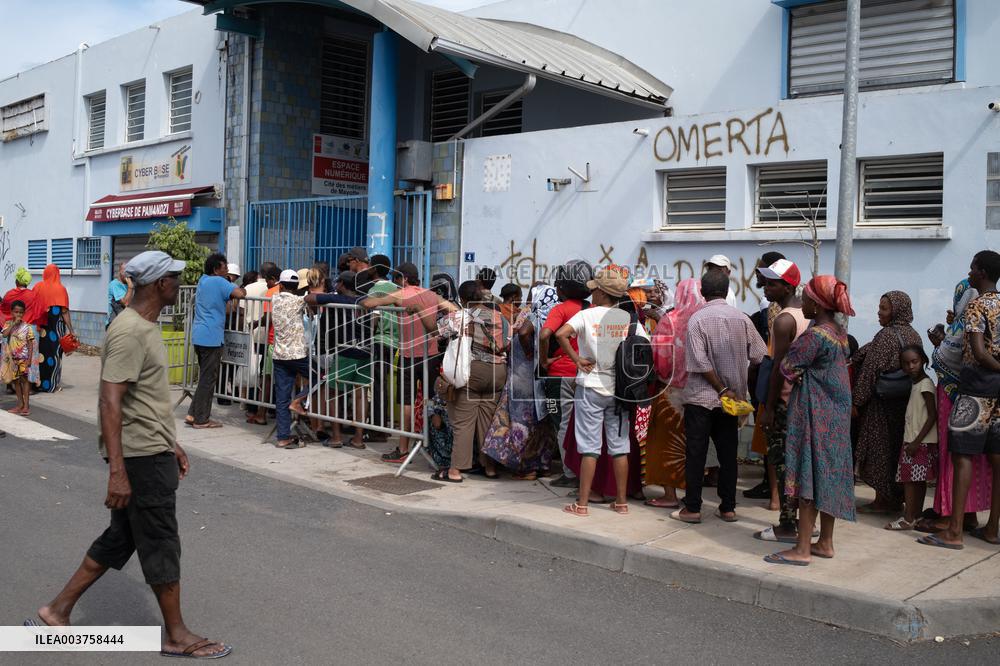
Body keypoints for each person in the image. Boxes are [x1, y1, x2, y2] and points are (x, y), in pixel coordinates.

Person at [32, 250, 231, 658]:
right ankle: (176, 635)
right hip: (139, 460)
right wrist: (118, 472)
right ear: (160, 285)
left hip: (149, 449)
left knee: (121, 537)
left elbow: (144, 401)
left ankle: (58, 610)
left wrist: (169, 441)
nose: (179, 285)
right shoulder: (129, 331)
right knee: (160, 540)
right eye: (175, 279)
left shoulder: (144, 326)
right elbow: (110, 402)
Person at [764, 275, 856, 566]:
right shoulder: (839, 332)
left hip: (815, 415)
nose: (802, 301)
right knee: (828, 477)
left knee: (808, 478)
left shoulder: (814, 336)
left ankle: (802, 548)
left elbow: (786, 368)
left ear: (816, 304)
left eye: (806, 298)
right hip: (837, 416)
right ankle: (825, 542)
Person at [920, 250, 1000, 549]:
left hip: (977, 387)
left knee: (962, 455)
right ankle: (992, 528)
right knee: (996, 458)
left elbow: (978, 353)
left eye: (972, 268)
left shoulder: (977, 306)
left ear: (981, 272)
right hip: (998, 392)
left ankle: (954, 531)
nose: (970, 272)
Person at [673, 270, 766, 525]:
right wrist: (737, 379)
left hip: (701, 399)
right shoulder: (743, 319)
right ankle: (728, 508)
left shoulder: (697, 319)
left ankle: (692, 508)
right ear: (726, 291)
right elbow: (759, 355)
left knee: (696, 453)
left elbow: (698, 363)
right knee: (728, 455)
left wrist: (720, 388)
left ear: (702, 291)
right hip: (732, 400)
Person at [555, 266, 641, 516]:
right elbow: (642, 346)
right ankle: (622, 502)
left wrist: (577, 359)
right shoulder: (627, 319)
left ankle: (581, 505)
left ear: (603, 293)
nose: (591, 294)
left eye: (595, 290)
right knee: (619, 445)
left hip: (591, 387)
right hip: (620, 390)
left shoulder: (587, 315)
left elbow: (561, 334)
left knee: (589, 446)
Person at [362, 262, 443, 463]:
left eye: (397, 280)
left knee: (407, 403)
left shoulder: (402, 294)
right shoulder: (432, 295)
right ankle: (435, 445)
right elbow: (451, 309)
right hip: (431, 355)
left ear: (404, 279)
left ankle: (403, 449)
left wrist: (371, 299)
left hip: (409, 357)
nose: (396, 284)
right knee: (432, 401)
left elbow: (368, 304)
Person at [754, 259, 809, 543]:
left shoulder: (785, 319)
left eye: (772, 283)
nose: (766, 287)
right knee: (797, 463)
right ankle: (799, 521)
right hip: (803, 402)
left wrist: (769, 408)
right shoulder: (808, 315)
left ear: (787, 286)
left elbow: (779, 367)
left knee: (784, 463)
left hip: (786, 402)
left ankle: (788, 524)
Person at [853, 291, 921, 514]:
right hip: (904, 402)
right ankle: (895, 498)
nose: (879, 312)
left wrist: (856, 401)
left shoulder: (886, 336)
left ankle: (882, 500)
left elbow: (870, 372)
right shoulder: (914, 335)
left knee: (879, 451)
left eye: (884, 308)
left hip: (881, 405)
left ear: (896, 310)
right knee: (896, 451)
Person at [433, 280, 508, 482]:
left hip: (471, 371)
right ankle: (489, 467)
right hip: (498, 372)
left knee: (464, 423)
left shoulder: (459, 317)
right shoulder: (500, 317)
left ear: (462, 299)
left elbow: (436, 333)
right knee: (487, 421)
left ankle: (455, 470)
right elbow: (507, 343)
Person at [482, 284, 556, 480]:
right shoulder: (553, 314)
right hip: (541, 375)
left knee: (522, 422)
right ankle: (543, 464)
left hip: (523, 376)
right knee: (543, 421)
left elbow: (521, 333)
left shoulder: (530, 314)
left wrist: (530, 352)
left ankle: (526, 467)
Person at [645, 278, 705, 509]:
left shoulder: (669, 320)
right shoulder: (705, 320)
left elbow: (660, 359)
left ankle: (669, 495)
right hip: (700, 390)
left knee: (665, 443)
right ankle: (692, 494)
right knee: (693, 444)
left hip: (670, 393)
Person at [303, 270, 371, 448]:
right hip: (366, 351)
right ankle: (358, 438)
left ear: (342, 284)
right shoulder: (366, 300)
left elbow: (309, 299)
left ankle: (337, 437)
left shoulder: (338, 299)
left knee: (333, 393)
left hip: (346, 351)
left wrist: (326, 297)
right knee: (361, 394)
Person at [540, 260, 593, 488]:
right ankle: (583, 471)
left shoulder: (560, 309)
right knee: (583, 424)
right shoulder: (592, 309)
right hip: (586, 373)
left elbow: (544, 335)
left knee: (560, 421)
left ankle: (569, 473)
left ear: (562, 287)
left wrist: (544, 360)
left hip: (559, 375)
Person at [186, 253, 245, 429]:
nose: (227, 270)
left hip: (200, 335)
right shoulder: (219, 282)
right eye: (224, 267)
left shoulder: (203, 280)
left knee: (204, 377)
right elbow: (239, 294)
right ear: (215, 269)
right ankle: (202, 419)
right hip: (211, 337)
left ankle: (192, 413)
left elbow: (225, 307)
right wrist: (239, 287)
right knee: (208, 380)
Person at [745, 251, 786, 500]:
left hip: (771, 377)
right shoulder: (770, 303)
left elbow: (770, 350)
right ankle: (770, 486)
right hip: (765, 375)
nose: (757, 273)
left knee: (771, 435)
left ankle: (774, 492)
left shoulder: (775, 308)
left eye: (761, 269)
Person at [885, 345, 938, 530]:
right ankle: (915, 515)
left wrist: (916, 442)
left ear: (923, 360)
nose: (910, 366)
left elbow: (932, 415)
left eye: (914, 362)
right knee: (917, 480)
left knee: (910, 480)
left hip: (918, 442)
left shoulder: (925, 385)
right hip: (916, 441)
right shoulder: (917, 384)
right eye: (906, 363)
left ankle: (908, 517)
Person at [271, 269, 311, 449]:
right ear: (296, 287)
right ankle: (299, 400)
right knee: (322, 375)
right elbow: (311, 301)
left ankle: (283, 437)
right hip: (297, 355)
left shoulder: (274, 299)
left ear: (280, 285)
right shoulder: (298, 301)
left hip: (279, 354)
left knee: (281, 397)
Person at [32, 263, 76, 393]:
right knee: (55, 355)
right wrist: (71, 330)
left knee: (41, 355)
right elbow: (64, 312)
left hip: (41, 329)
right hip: (56, 329)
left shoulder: (37, 287)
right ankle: (52, 385)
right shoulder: (60, 289)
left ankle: (39, 384)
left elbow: (33, 306)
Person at [243, 263, 277, 425]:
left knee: (257, 372)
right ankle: (272, 408)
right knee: (266, 373)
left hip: (257, 336)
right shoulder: (288, 291)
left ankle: (253, 407)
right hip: (269, 338)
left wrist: (253, 324)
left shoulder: (253, 289)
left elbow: (244, 311)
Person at [2, 300, 38, 414]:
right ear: (11, 312)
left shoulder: (27, 327)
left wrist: (29, 359)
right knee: (16, 381)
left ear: (24, 313)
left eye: (21, 312)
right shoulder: (8, 324)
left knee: (25, 381)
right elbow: (4, 334)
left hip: (23, 358)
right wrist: (13, 324)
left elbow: (30, 344)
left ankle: (26, 406)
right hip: (13, 359)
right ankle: (20, 404)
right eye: (16, 312)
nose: (18, 314)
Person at [107, 262, 133, 326]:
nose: (126, 274)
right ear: (119, 271)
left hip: (126, 322)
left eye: (128, 271)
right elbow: (125, 303)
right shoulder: (114, 284)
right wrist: (130, 287)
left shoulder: (130, 284)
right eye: (124, 271)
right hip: (114, 323)